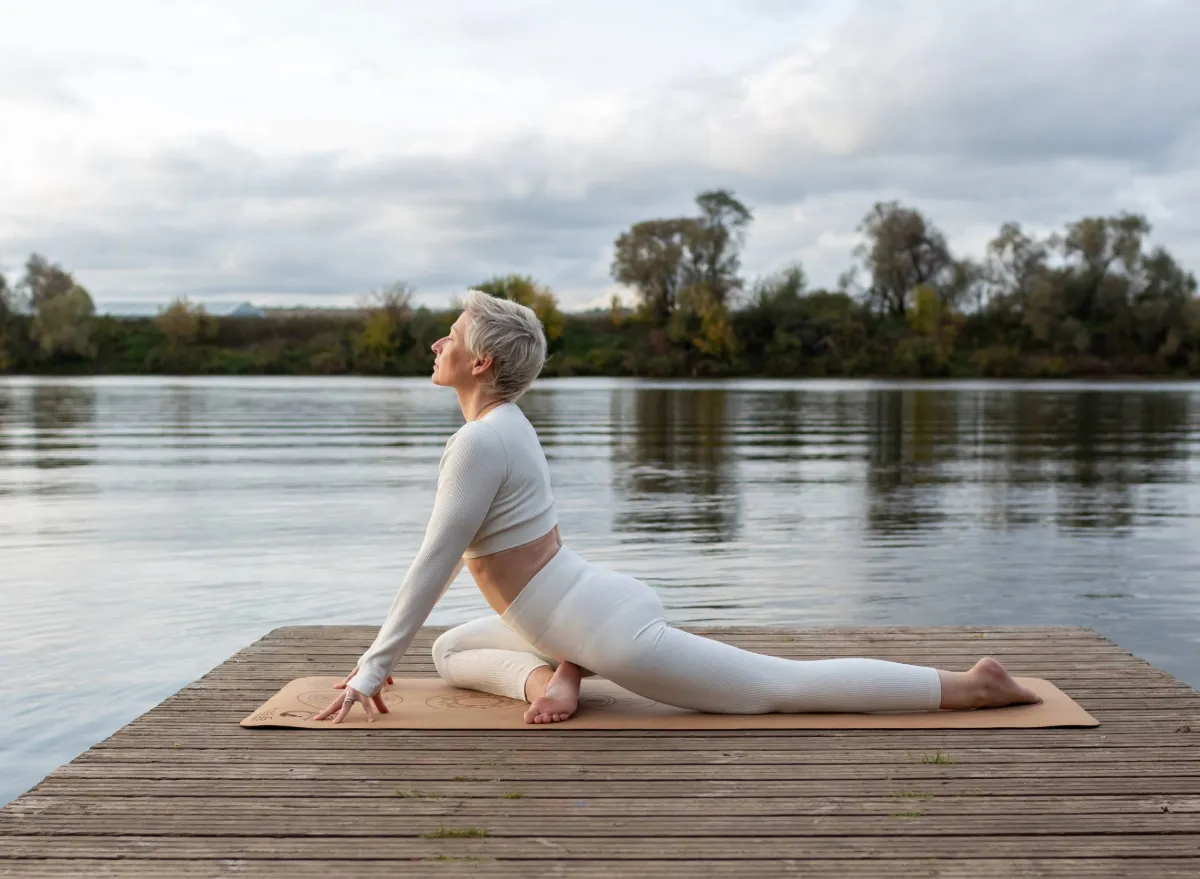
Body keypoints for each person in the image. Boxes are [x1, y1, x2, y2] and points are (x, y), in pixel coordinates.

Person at [315, 291, 1041, 725]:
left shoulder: (482, 441)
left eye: (455, 335)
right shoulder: (501, 428)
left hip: (609, 627)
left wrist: (372, 669)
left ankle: (972, 685)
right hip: (567, 609)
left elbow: (433, 564)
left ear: (482, 364)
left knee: (777, 688)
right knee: (450, 651)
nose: (438, 341)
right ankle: (556, 672)